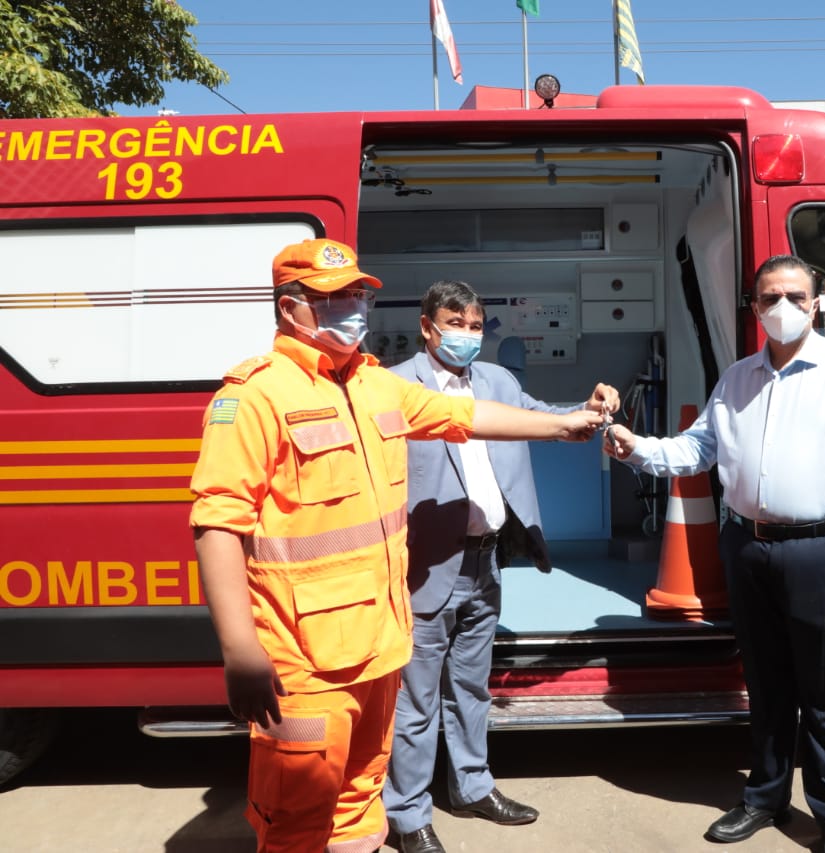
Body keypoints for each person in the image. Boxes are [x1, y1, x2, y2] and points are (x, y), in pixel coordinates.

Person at [189, 238, 603, 853]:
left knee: (359, 807)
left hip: (382, 643)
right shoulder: (254, 396)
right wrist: (239, 649)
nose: (352, 307)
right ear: (289, 308)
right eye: (333, 298)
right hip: (305, 661)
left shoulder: (374, 385)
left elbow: (466, 416)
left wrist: (565, 425)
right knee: (297, 819)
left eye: (357, 294)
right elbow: (217, 522)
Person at [604, 254, 825, 853]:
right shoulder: (738, 377)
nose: (784, 308)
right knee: (766, 683)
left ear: (816, 302)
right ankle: (766, 796)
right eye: (771, 297)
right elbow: (697, 451)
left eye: (797, 297)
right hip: (748, 547)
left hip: (824, 549)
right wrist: (636, 448)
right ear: (754, 307)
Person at [383, 280, 619, 853]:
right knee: (414, 702)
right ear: (426, 325)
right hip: (424, 566)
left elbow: (544, 418)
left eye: (473, 324)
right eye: (453, 323)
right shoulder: (391, 387)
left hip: (486, 561)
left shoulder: (498, 381)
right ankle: (408, 814)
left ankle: (471, 786)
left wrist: (588, 410)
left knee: (471, 688)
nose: (465, 335)